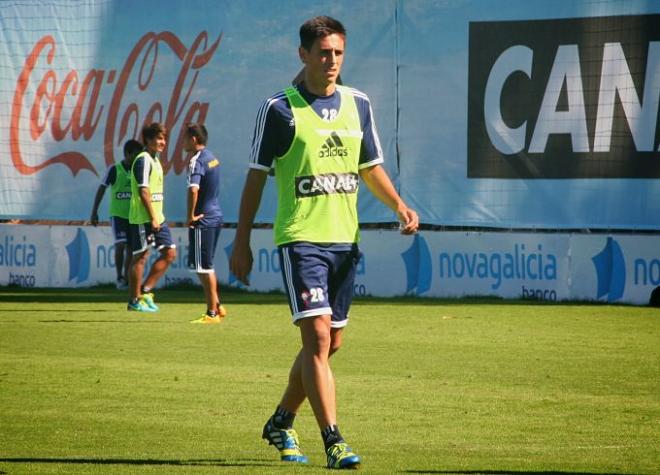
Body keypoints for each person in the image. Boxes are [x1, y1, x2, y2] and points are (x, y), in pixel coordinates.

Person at [230, 16, 419, 470]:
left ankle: (280, 420)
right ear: (304, 55)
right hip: (301, 240)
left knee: (330, 344)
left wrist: (398, 205)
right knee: (315, 338)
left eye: (337, 52)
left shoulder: (359, 104)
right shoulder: (279, 109)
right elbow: (255, 180)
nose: (331, 60)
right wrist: (241, 242)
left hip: (344, 242)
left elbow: (369, 167)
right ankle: (334, 440)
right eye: (323, 52)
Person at [127, 123, 177, 312]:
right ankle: (134, 301)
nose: (162, 142)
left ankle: (144, 291)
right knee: (140, 258)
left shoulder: (155, 160)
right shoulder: (143, 160)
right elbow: (143, 191)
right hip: (143, 218)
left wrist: (158, 217)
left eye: (164, 138)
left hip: (157, 217)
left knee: (170, 253)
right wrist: (152, 217)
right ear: (148, 140)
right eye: (158, 138)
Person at [183, 123, 227, 323]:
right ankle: (217, 305)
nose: (182, 142)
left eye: (185, 138)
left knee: (204, 267)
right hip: (215, 216)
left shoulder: (196, 160)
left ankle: (211, 314)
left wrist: (190, 215)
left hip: (203, 218)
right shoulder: (212, 157)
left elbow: (194, 189)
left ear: (193, 139)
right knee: (202, 265)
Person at [89, 139, 143, 289]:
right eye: (135, 155)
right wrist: (94, 212)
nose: (138, 158)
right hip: (118, 215)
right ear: (127, 153)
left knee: (131, 249)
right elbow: (102, 188)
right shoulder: (114, 169)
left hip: (133, 216)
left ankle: (126, 278)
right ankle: (119, 276)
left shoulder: (138, 169)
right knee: (120, 245)